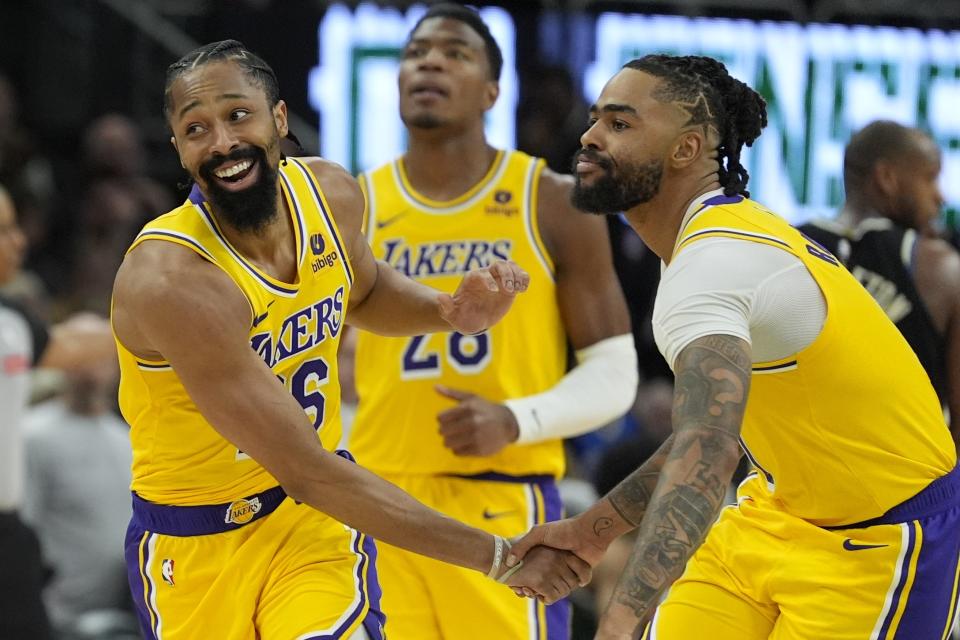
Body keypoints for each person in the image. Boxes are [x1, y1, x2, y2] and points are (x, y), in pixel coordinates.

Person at [109, 39, 589, 640]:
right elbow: (306, 469)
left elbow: (361, 291)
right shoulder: (171, 280)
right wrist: (501, 557)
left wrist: (447, 311)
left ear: (278, 119)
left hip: (312, 529)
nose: (223, 143)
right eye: (196, 128)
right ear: (179, 150)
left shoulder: (329, 194)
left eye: (238, 115)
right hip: (198, 544)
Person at [507, 55, 960, 640]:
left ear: (687, 148)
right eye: (596, 120)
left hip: (880, 539)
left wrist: (618, 619)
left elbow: (709, 452)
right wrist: (593, 531)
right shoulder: (706, 241)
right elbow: (707, 433)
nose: (590, 137)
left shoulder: (714, 263)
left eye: (620, 124)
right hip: (772, 515)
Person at [347, 5, 636, 638]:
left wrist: (514, 420)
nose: (429, 61)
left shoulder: (551, 200)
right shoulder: (355, 205)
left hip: (503, 502)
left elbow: (616, 374)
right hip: (379, 502)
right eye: (416, 51)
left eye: (454, 53)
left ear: (491, 90)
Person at [0, 183, 115, 640]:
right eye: (4, 230)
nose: (20, 242)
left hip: (8, 540)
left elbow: (72, 345)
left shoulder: (11, 321)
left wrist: (161, 317)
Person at [800, 121, 960, 444]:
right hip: (907, 482)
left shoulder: (784, 249)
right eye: (930, 178)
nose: (939, 196)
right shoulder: (939, 266)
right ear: (887, 178)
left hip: (794, 481)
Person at [22, 354, 133, 633]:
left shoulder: (126, 437)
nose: (90, 373)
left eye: (98, 360)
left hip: (125, 603)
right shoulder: (34, 435)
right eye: (80, 360)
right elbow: (22, 526)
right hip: (58, 613)